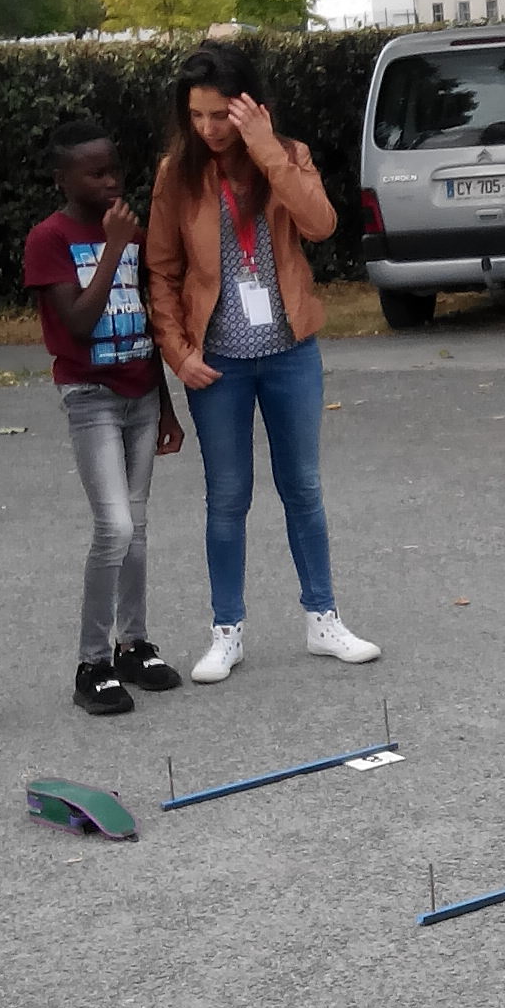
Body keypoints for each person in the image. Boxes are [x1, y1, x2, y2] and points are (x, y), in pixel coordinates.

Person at [146, 42, 379, 682]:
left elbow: (323, 223)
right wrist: (179, 352)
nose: (209, 129)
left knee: (302, 487)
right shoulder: (178, 173)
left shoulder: (288, 156)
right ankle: (227, 632)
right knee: (227, 496)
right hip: (216, 362)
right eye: (196, 116)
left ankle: (323, 620)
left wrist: (269, 148)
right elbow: (161, 271)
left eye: (221, 115)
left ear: (249, 106)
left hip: (290, 351)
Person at [24, 120, 187, 716]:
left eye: (114, 168)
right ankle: (90, 662)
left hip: (141, 393)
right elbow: (80, 323)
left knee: (137, 530)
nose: (110, 180)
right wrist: (115, 247)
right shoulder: (50, 238)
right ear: (62, 178)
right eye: (95, 172)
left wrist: (167, 404)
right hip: (90, 396)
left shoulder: (133, 234)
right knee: (114, 528)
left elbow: (142, 321)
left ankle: (133, 645)